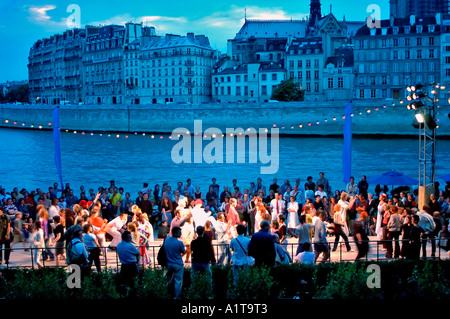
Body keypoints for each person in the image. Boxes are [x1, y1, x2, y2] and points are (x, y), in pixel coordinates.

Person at [116, 230, 141, 297]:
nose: (131, 238)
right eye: (130, 237)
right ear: (126, 238)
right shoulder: (130, 246)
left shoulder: (118, 245)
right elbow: (138, 252)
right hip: (132, 265)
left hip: (123, 266)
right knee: (134, 282)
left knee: (125, 282)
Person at [164, 226, 186, 299]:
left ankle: (166, 294)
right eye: (180, 232)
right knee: (178, 282)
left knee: (168, 280)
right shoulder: (179, 242)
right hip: (178, 264)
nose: (181, 234)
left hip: (169, 263)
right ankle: (177, 297)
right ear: (176, 233)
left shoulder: (166, 240)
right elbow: (183, 251)